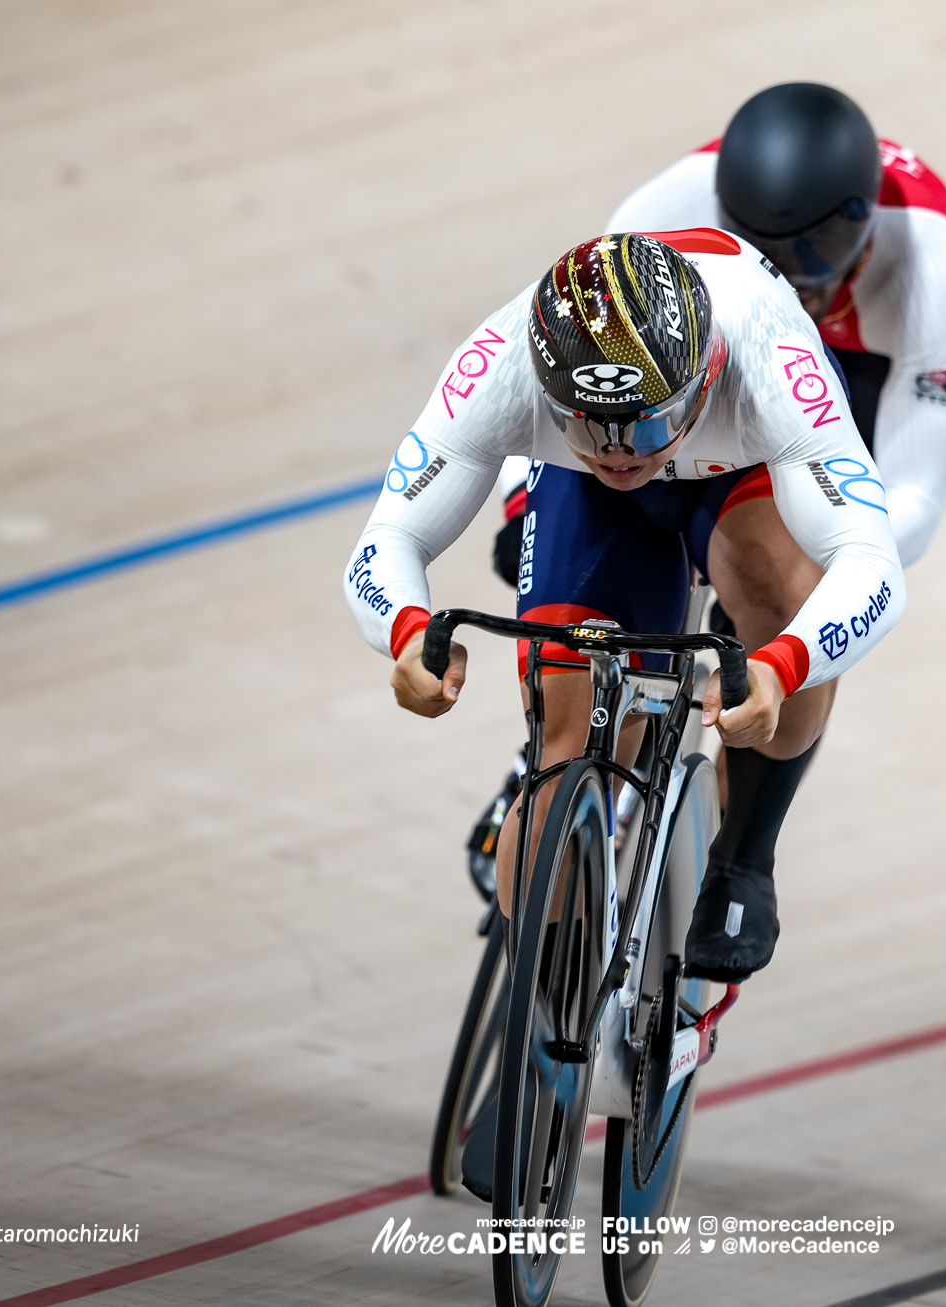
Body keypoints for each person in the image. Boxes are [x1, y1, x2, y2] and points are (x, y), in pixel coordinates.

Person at [343, 231, 906, 990]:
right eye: (583, 424)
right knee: (567, 737)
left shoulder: (772, 361)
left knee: (783, 602)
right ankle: (540, 1026)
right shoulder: (502, 362)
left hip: (733, 472)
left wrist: (779, 667)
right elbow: (389, 537)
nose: (617, 453)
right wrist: (407, 633)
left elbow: (872, 565)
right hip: (586, 498)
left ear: (705, 375)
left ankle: (742, 856)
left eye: (642, 424)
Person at [492, 81, 946, 582]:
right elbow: (559, 362)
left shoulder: (938, 266)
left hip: (857, 362)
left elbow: (915, 493)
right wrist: (520, 501)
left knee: (790, 581)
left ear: (861, 224)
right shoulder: (661, 215)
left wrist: (828, 573)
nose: (791, 282)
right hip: (721, 338)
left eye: (813, 252)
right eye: (766, 250)